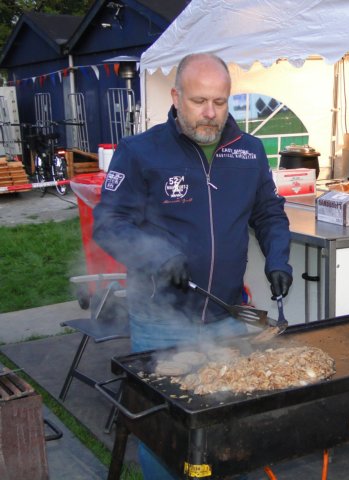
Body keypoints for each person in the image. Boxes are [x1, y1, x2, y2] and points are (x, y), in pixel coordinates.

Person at [92, 52, 293, 479]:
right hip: (160, 320)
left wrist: (278, 260)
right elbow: (108, 224)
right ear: (176, 96)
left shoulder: (249, 151)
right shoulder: (140, 151)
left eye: (220, 102)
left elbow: (269, 214)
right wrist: (156, 256)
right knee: (163, 428)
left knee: (225, 423)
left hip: (226, 313)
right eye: (199, 101)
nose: (210, 113)